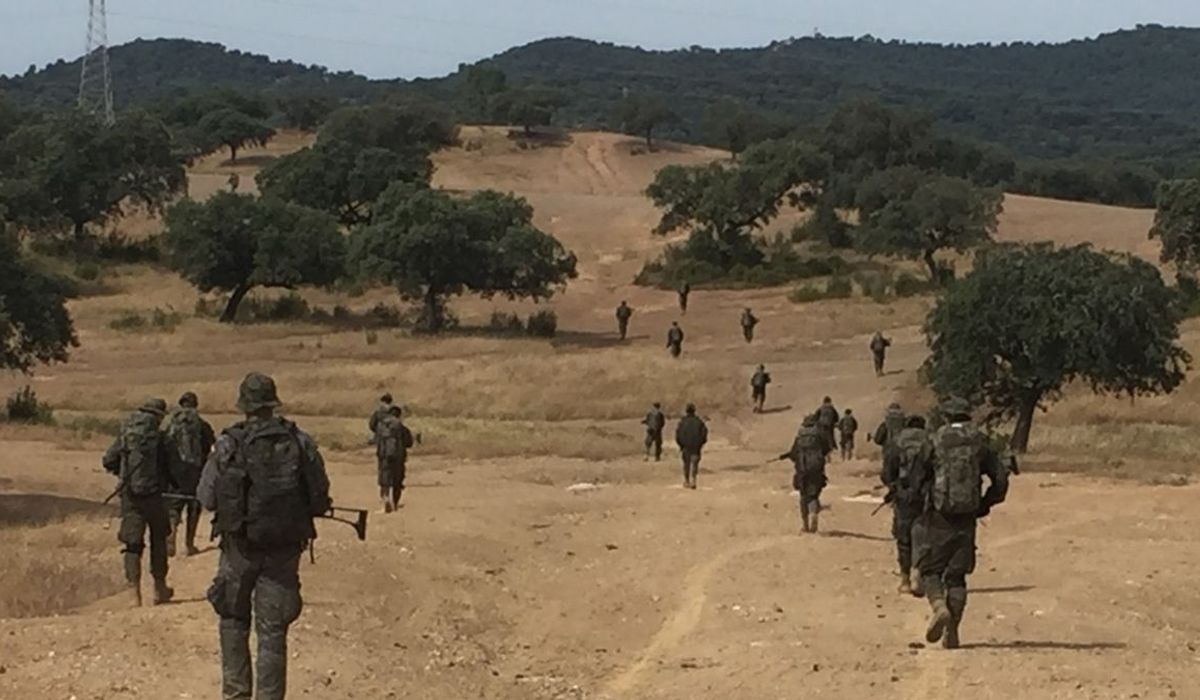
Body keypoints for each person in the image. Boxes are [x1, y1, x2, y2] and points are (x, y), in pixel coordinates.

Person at [198, 373, 332, 700]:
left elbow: (206, 497)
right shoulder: (299, 441)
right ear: (273, 404)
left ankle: (236, 694)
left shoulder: (228, 443)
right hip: (284, 551)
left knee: (233, 621)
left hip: (238, 549)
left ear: (244, 405)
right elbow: (319, 497)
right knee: (272, 633)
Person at [916, 397, 1009, 650]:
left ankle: (939, 606)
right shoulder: (980, 441)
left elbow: (918, 476)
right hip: (967, 516)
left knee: (930, 570)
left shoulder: (935, 439)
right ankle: (953, 630)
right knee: (957, 576)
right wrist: (984, 504)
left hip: (940, 515)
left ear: (946, 416)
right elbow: (1000, 479)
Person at [102, 398, 176, 607]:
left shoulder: (126, 434)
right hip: (155, 496)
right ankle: (159, 588)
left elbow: (108, 459)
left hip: (130, 496)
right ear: (159, 416)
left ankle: (133, 593)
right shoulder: (161, 437)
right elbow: (171, 465)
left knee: (132, 544)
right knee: (159, 540)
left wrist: (124, 473)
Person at [882, 415, 933, 595]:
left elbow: (887, 473)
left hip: (904, 497)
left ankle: (905, 579)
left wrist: (894, 488)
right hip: (927, 496)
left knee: (903, 538)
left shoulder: (897, 442)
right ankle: (918, 572)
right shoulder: (930, 441)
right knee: (925, 536)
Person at [164, 391, 216, 557]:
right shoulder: (202, 424)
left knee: (174, 508)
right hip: (196, 472)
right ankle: (189, 544)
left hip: (174, 474)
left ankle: (171, 537)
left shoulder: (170, 425)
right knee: (194, 507)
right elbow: (212, 448)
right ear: (195, 405)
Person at [783, 415, 829, 533]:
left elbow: (794, 454)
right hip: (816, 470)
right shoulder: (819, 435)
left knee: (803, 496)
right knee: (814, 495)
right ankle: (814, 513)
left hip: (802, 470)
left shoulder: (799, 437)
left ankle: (805, 525)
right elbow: (826, 449)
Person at [376, 405, 415, 513]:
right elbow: (409, 443)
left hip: (384, 457)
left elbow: (377, 441)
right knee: (397, 482)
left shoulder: (381, 426)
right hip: (398, 458)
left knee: (384, 482)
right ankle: (395, 504)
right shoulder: (402, 427)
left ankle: (385, 501)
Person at [675, 404, 708, 489]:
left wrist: (681, 445)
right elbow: (704, 434)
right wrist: (700, 443)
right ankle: (693, 480)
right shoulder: (699, 422)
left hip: (685, 446)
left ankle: (686, 481)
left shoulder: (682, 422)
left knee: (686, 464)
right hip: (696, 446)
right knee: (694, 464)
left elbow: (678, 434)